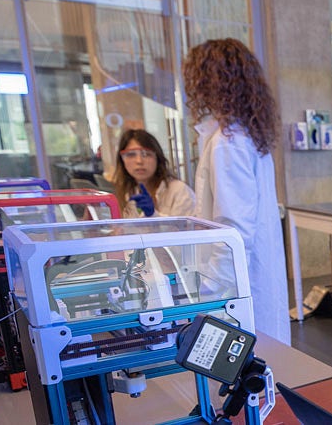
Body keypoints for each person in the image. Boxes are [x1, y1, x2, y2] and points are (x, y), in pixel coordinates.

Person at [183, 38, 290, 345]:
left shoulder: (229, 142)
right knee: (263, 364)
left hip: (236, 288)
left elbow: (235, 231)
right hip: (248, 279)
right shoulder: (245, 135)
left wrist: (212, 293)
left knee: (241, 367)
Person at [112, 128, 195, 219]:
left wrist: (152, 214)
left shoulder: (179, 191)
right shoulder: (128, 193)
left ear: (158, 158)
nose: (139, 161)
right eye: (131, 154)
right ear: (122, 161)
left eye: (146, 154)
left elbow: (186, 229)